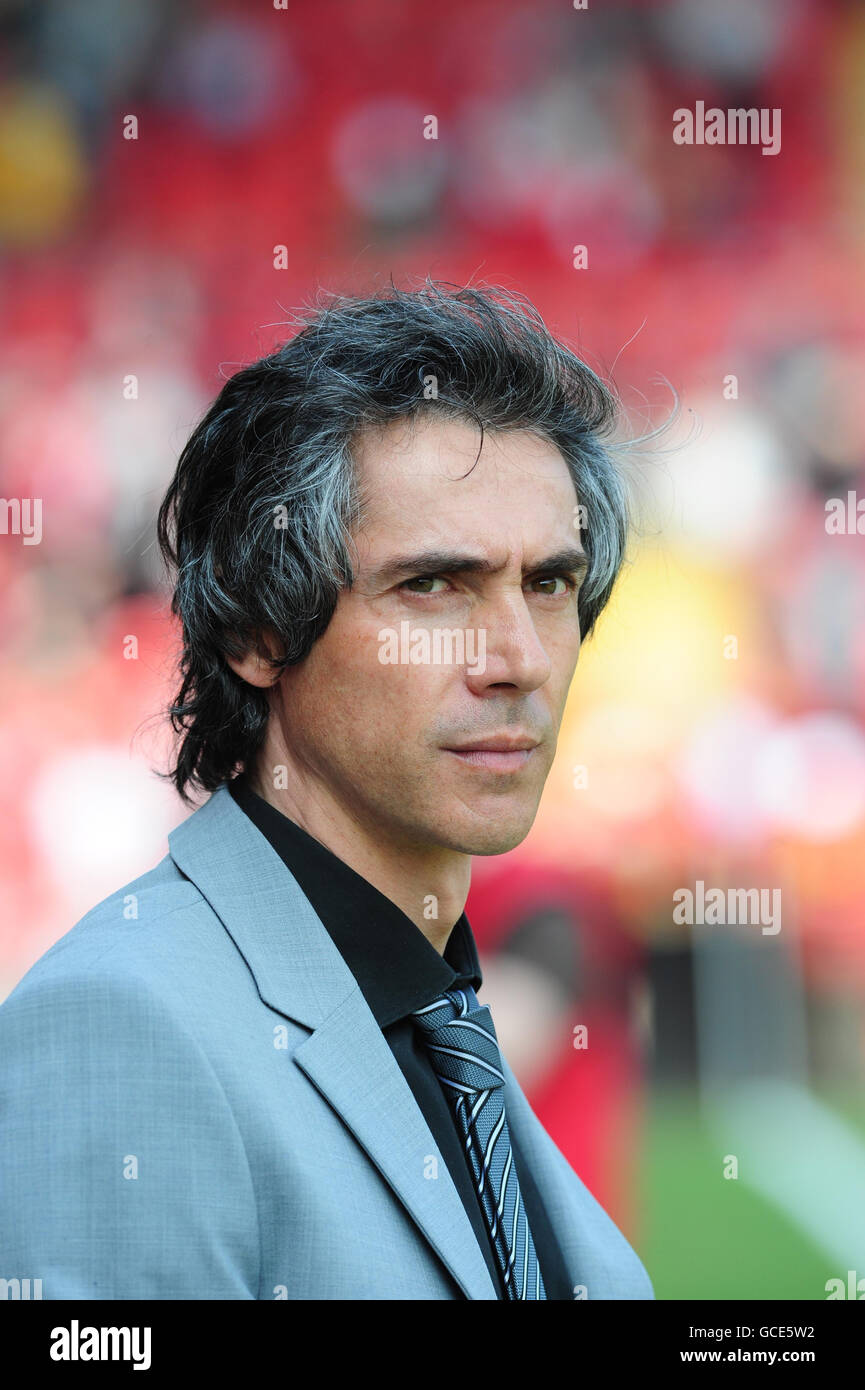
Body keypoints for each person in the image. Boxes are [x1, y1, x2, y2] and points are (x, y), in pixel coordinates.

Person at [0, 280, 653, 1300]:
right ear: (261, 630)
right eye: (430, 585)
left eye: (549, 584)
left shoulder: (436, 1004)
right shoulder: (121, 1023)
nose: (517, 658)